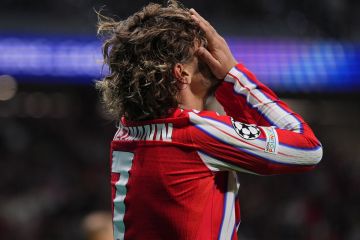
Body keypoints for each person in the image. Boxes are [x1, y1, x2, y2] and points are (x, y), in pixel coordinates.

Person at [96, 1, 323, 239]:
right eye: (203, 52)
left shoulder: (125, 132)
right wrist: (234, 76)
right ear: (181, 73)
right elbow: (308, 148)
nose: (213, 55)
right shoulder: (197, 133)